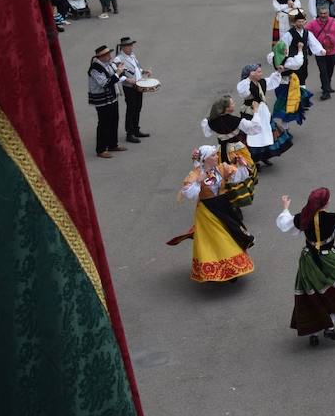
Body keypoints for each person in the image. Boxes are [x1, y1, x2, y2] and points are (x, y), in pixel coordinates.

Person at [276, 190, 335, 347]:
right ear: (325, 203)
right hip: (329, 260)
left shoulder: (303, 217)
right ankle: (331, 325)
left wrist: (285, 208)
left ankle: (314, 332)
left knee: (312, 292)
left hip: (308, 260)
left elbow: (284, 224)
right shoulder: (332, 218)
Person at [167, 145, 254, 283]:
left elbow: (238, 176)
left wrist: (242, 166)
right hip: (207, 211)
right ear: (205, 159)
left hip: (223, 206)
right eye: (213, 155)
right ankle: (216, 270)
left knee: (230, 235)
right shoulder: (195, 174)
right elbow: (189, 194)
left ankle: (232, 268)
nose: (216, 156)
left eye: (215, 154)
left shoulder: (221, 168)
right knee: (218, 239)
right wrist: (198, 181)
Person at [271, 9, 322, 126]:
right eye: (298, 21)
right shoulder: (289, 34)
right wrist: (283, 59)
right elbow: (282, 47)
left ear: (305, 21)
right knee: (294, 79)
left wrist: (320, 50)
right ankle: (295, 100)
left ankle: (301, 101)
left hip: (303, 59)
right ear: (294, 23)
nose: (301, 23)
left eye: (303, 21)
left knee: (303, 77)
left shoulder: (307, 33)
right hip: (293, 59)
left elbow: (314, 43)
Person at [237, 63, 293, 166]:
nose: (261, 73)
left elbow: (272, 81)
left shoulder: (262, 82)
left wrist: (278, 72)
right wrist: (249, 78)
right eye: (258, 72)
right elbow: (243, 92)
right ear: (251, 73)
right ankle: (253, 160)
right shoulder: (245, 84)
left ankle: (264, 156)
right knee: (252, 137)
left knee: (266, 133)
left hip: (263, 112)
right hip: (251, 113)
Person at [88, 44, 125, 158]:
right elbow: (105, 83)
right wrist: (118, 73)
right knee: (104, 124)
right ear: (101, 56)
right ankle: (101, 149)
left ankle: (113, 144)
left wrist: (120, 70)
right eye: (107, 54)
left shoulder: (108, 64)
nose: (110, 56)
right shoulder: (95, 68)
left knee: (114, 120)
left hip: (112, 97)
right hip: (102, 100)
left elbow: (117, 76)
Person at [306, 5, 335, 100]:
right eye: (321, 13)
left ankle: (327, 85)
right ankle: (326, 92)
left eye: (325, 13)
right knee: (323, 71)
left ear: (328, 13)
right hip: (319, 52)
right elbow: (304, 31)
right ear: (318, 14)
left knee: (330, 70)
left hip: (332, 52)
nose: (323, 15)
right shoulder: (313, 24)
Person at [114, 36, 151, 144]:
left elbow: (136, 69)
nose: (131, 47)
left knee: (138, 107)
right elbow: (116, 74)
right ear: (123, 47)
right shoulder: (118, 59)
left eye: (131, 45)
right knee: (131, 109)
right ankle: (129, 133)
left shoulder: (132, 56)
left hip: (139, 85)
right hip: (129, 88)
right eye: (129, 46)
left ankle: (136, 129)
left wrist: (145, 71)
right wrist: (128, 80)